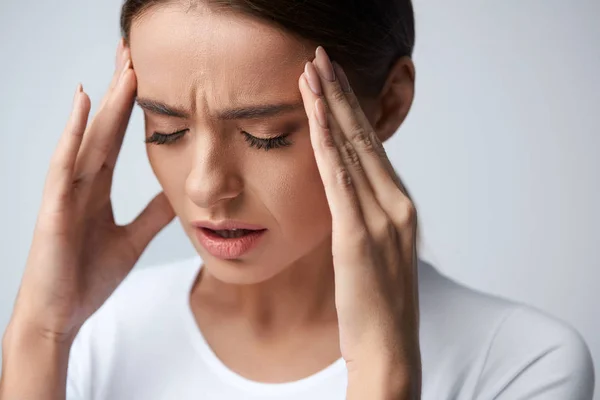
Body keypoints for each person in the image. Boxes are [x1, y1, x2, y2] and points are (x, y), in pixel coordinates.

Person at [0, 0, 595, 399]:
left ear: (386, 104)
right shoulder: (92, 339)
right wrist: (39, 334)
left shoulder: (520, 364)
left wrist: (383, 372)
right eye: (166, 129)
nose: (206, 186)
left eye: (267, 136)